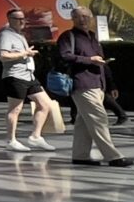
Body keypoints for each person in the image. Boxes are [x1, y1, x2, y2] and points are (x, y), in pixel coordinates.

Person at [54, 10, 129, 167]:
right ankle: (113, 156)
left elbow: (101, 61)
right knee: (99, 119)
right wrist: (89, 60)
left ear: (91, 18)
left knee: (83, 122)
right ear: (72, 19)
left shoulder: (93, 36)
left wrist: (110, 84)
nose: (83, 20)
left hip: (98, 84)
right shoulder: (68, 36)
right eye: (78, 17)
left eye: (86, 17)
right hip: (82, 84)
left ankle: (80, 155)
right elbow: (64, 55)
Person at [0, 10, 58, 152]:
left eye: (23, 18)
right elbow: (3, 55)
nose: (22, 21)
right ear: (9, 19)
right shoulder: (6, 35)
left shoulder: (20, 35)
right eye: (18, 19)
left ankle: (35, 137)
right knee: (15, 109)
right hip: (15, 76)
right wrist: (25, 53)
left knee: (45, 105)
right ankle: (11, 140)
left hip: (28, 76)